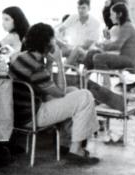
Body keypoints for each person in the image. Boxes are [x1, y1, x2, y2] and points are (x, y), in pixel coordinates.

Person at [9, 23, 100, 165]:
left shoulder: (25, 58)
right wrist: (59, 62)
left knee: (74, 91)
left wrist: (49, 64)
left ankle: (66, 143)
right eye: (53, 39)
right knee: (85, 96)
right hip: (32, 116)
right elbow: (60, 92)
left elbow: (46, 84)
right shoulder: (35, 65)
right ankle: (75, 150)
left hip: (19, 114)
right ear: (46, 43)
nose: (55, 42)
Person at [83, 3, 135, 71]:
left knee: (98, 58)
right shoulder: (122, 27)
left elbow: (117, 46)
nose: (110, 17)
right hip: (124, 56)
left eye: (112, 14)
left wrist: (102, 46)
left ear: (119, 14)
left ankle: (106, 81)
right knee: (91, 53)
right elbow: (114, 43)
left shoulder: (127, 27)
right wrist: (103, 44)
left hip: (129, 60)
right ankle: (84, 78)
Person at [56, 0, 101, 66]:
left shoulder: (95, 23)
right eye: (79, 8)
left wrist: (70, 47)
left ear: (89, 8)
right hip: (72, 49)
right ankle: (46, 72)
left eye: (83, 8)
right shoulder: (73, 17)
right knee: (55, 50)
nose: (80, 10)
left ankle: (62, 73)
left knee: (76, 50)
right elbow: (59, 30)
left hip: (86, 52)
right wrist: (60, 41)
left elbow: (87, 46)